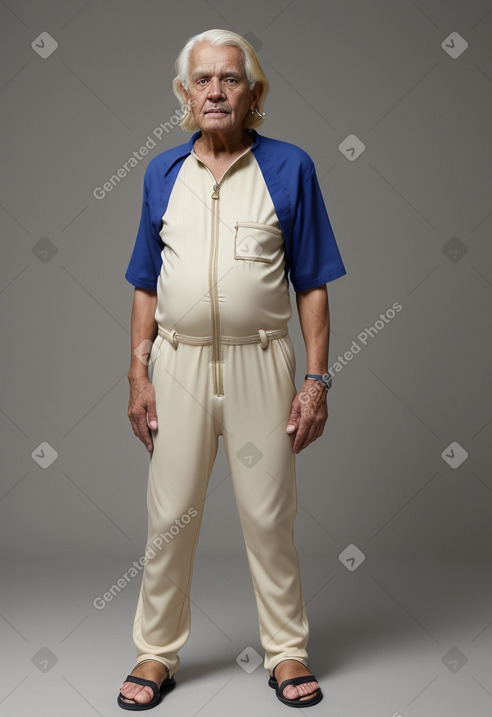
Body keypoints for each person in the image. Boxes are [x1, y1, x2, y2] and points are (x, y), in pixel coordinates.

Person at [117, 28, 346, 710]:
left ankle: (286, 651)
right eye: (202, 80)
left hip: (260, 364)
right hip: (178, 364)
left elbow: (312, 283)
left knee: (269, 515)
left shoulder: (290, 167)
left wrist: (317, 378)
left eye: (230, 78)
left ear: (254, 91)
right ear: (185, 94)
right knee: (169, 516)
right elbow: (144, 284)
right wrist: (138, 373)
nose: (215, 90)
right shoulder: (161, 172)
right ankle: (156, 651)